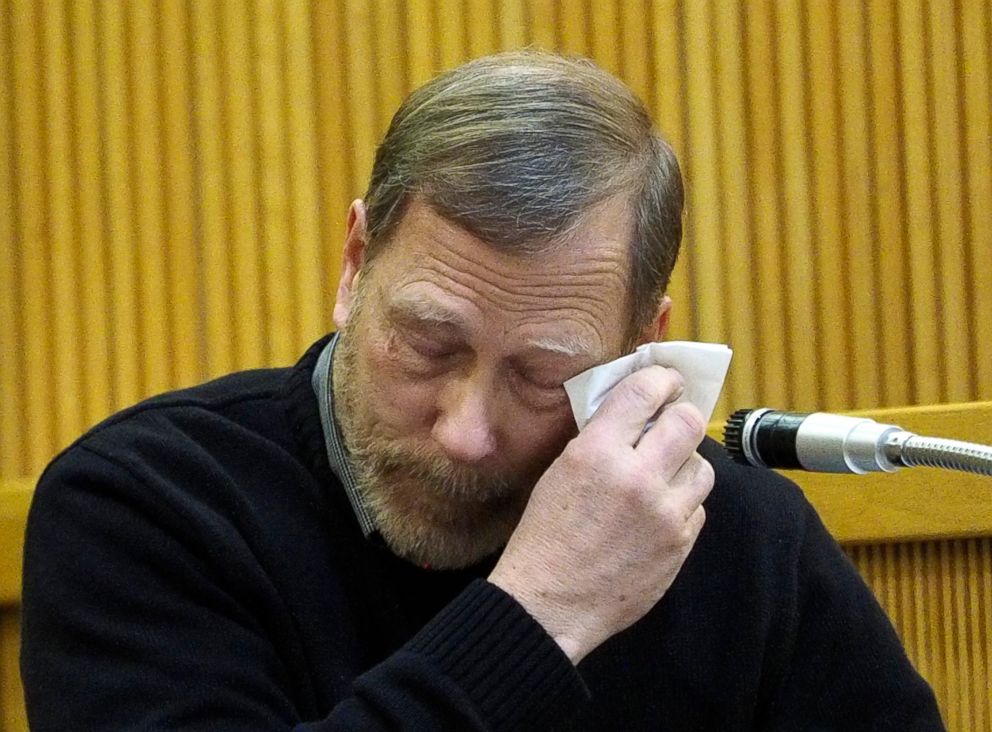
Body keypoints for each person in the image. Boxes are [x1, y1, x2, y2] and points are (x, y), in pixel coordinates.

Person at [21, 50, 942, 731]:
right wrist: (544, 610)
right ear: (354, 264)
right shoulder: (145, 504)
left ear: (640, 347)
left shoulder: (735, 538)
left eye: (543, 376)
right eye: (427, 344)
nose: (466, 432)